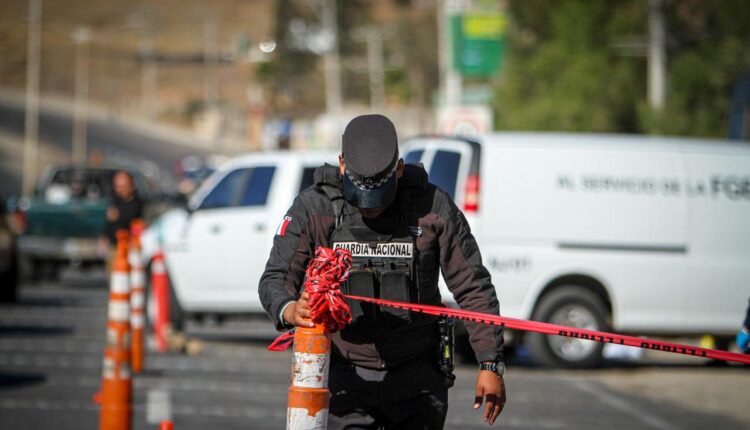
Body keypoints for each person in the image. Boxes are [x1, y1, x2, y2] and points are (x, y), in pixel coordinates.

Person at [259, 114, 506, 428]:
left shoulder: (433, 208)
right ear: (343, 165)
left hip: (417, 380)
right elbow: (275, 278)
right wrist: (291, 309)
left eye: (378, 194)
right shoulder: (316, 208)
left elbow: (473, 287)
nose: (370, 207)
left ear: (399, 169)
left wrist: (490, 363)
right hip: (343, 378)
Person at [103, 170, 143, 248]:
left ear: (132, 186)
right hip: (114, 246)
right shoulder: (113, 201)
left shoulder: (140, 204)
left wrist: (119, 216)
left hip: (132, 246)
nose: (120, 190)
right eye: (118, 187)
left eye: (123, 187)